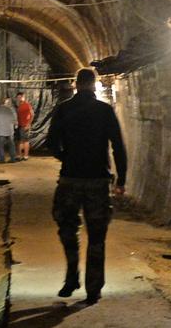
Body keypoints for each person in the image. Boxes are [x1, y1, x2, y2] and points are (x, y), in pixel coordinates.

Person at [47, 67, 127, 305]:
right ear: (94, 84)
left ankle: (72, 277)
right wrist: (121, 179)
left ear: (75, 84)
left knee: (67, 228)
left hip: (70, 179)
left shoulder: (63, 109)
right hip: (97, 180)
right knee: (97, 235)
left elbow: (51, 142)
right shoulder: (104, 111)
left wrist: (66, 158)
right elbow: (118, 147)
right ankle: (94, 288)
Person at [0, 97, 18, 163]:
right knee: (11, 145)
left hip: (1, 130)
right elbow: (14, 120)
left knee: (1, 146)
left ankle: (2, 159)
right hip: (10, 130)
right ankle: (13, 158)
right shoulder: (10, 110)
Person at [15, 92, 34, 161]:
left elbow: (32, 115)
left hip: (25, 126)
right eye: (18, 97)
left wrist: (28, 124)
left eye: (20, 97)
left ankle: (25, 156)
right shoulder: (19, 106)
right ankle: (19, 155)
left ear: (24, 97)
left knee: (25, 141)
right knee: (20, 141)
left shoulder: (27, 105)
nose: (19, 98)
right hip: (20, 125)